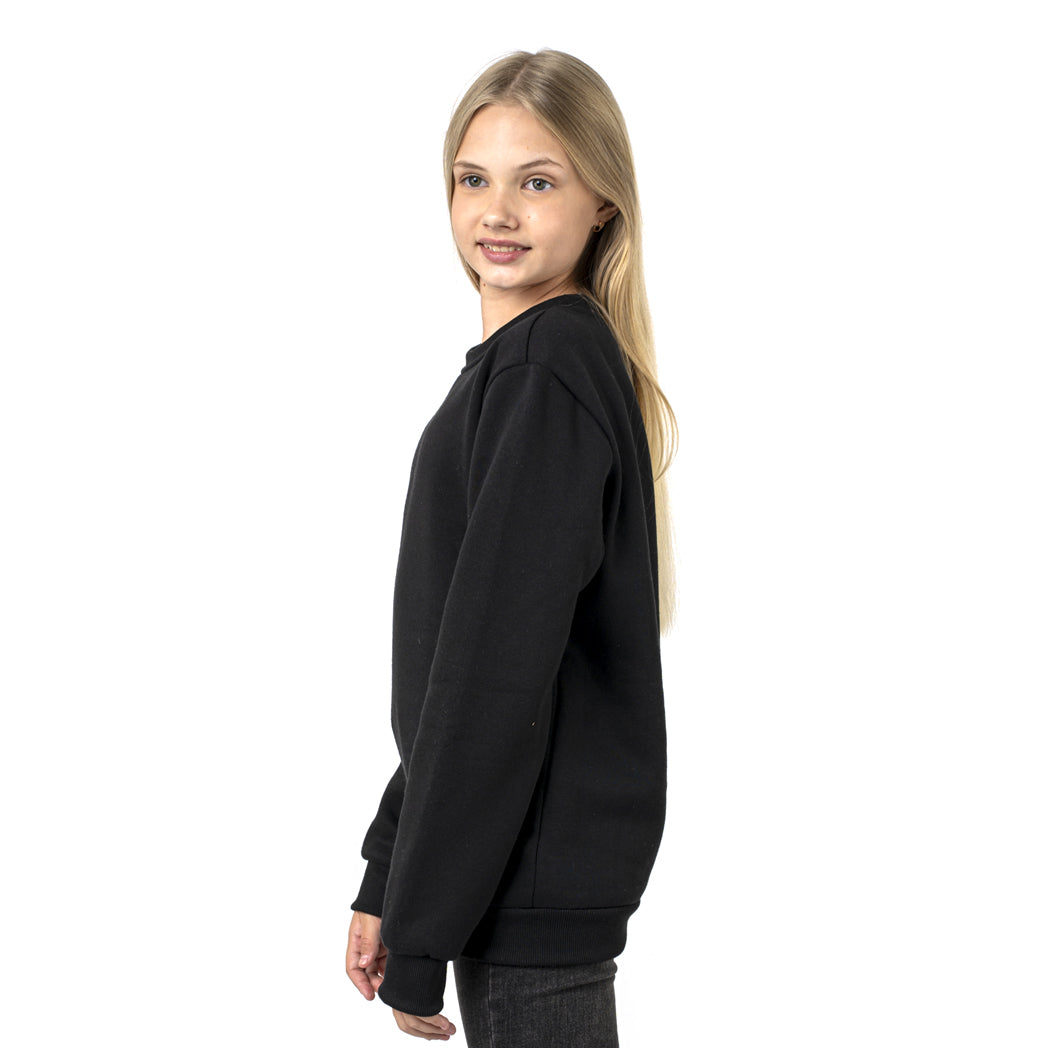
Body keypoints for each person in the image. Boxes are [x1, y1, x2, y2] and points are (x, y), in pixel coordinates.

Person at [345, 49, 678, 1046]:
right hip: (511, 874)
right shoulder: (529, 369)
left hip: (524, 886)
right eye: (472, 178)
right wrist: (389, 872)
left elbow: (492, 678)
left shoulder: (543, 372)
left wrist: (420, 930)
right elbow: (460, 670)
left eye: (537, 182)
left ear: (603, 204)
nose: (496, 212)